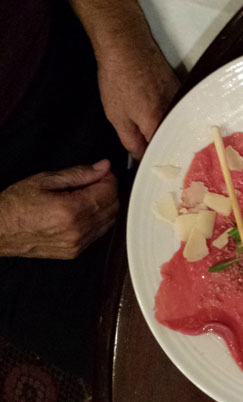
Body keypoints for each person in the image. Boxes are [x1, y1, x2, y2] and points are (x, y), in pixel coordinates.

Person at [0, 0, 180, 376]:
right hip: (11, 220)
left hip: (60, 39)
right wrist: (8, 224)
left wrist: (119, 34)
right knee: (154, 367)